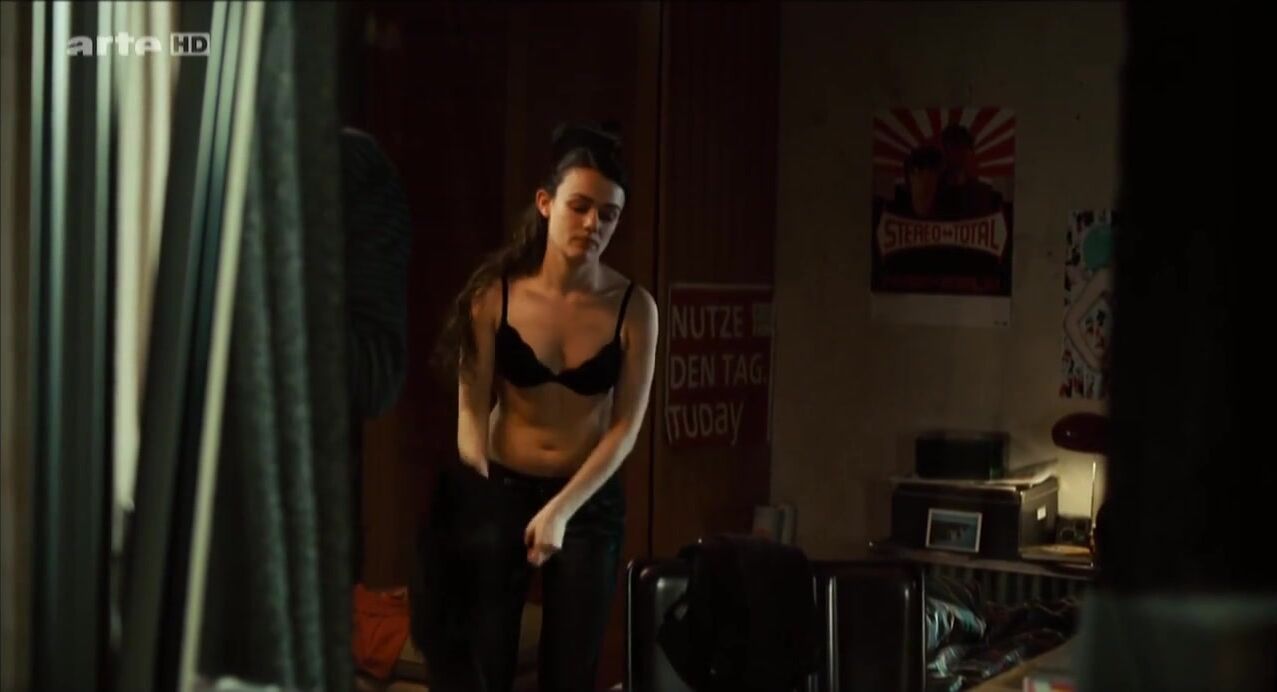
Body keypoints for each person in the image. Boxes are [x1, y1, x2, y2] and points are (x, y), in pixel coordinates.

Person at [414, 122, 659, 692]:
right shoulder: (493, 296)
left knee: (570, 669)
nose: (593, 224)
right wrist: (482, 498)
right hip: (500, 484)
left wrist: (562, 510)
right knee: (484, 663)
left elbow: (625, 427)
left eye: (609, 215)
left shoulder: (634, 307)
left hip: (587, 499)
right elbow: (470, 412)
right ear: (546, 204)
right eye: (580, 207)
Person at [936, 123, 1004, 219]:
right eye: (954, 148)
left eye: (962, 148)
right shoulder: (932, 192)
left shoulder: (983, 193)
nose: (958, 154)